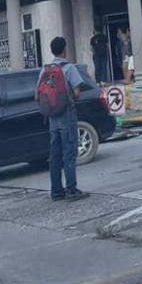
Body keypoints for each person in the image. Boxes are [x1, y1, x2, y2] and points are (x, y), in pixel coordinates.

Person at [37, 36, 88, 202]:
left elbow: (37, 95)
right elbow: (77, 93)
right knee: (69, 152)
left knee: (55, 155)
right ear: (64, 50)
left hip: (52, 118)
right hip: (67, 115)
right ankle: (72, 189)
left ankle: (56, 191)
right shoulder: (69, 68)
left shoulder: (45, 71)